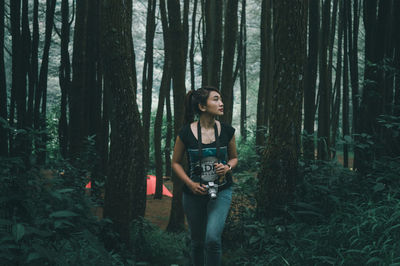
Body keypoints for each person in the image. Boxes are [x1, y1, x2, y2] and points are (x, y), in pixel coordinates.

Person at [172, 86, 238, 266]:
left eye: (221, 99)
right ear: (202, 106)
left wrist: (227, 168)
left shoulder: (227, 131)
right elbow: (175, 163)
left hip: (221, 191)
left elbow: (234, 158)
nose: (221, 103)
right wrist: (190, 184)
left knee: (212, 240)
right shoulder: (185, 133)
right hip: (193, 194)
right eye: (216, 99)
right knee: (197, 242)